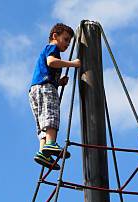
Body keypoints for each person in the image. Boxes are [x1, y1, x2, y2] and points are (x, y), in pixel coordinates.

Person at [29, 23, 80, 168]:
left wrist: (58, 82)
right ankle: (51, 144)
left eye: (69, 42)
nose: (67, 44)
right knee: (51, 114)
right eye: (65, 39)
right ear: (55, 36)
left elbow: (47, 70)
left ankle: (42, 152)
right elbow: (51, 62)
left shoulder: (50, 50)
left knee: (42, 121)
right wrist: (72, 63)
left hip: (36, 89)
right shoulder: (52, 48)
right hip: (45, 88)